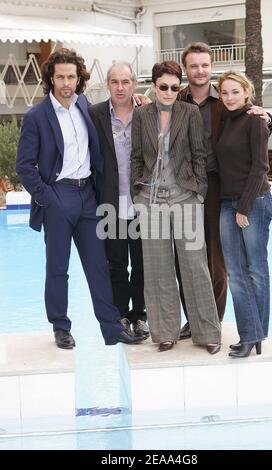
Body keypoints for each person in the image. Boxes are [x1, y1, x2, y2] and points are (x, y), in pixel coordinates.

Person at [16, 48, 143, 349]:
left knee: (98, 264)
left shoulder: (85, 106)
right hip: (58, 195)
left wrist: (141, 100)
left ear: (79, 78)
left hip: (88, 196)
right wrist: (48, 197)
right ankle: (60, 326)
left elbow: (118, 107)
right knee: (58, 267)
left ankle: (111, 328)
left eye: (71, 76)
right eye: (60, 76)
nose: (66, 82)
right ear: (50, 78)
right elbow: (24, 166)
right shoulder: (37, 116)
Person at [177, 42, 272, 339]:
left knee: (219, 263)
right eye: (193, 65)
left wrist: (268, 117)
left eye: (205, 65)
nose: (200, 70)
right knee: (187, 259)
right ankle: (193, 319)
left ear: (211, 67)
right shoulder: (175, 98)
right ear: (185, 69)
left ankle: (212, 322)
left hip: (220, 186)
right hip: (185, 189)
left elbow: (254, 126)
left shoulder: (225, 99)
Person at [131, 60, 221, 353]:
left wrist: (198, 194)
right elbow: (135, 157)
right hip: (151, 200)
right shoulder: (142, 115)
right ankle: (164, 332)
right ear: (154, 86)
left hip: (185, 197)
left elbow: (199, 154)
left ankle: (207, 333)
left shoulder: (190, 112)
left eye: (173, 86)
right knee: (158, 269)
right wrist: (137, 193)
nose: (169, 92)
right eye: (163, 86)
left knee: (195, 266)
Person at [89, 62, 149, 339]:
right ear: (108, 85)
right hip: (110, 203)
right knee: (115, 265)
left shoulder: (146, 112)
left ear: (134, 84)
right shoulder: (95, 114)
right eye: (115, 82)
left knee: (141, 264)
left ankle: (141, 315)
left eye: (126, 81)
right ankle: (122, 316)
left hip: (141, 203)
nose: (120, 87)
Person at [216, 71, 272, 358]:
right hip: (227, 202)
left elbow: (260, 167)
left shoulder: (255, 120)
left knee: (256, 271)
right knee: (236, 274)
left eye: (234, 92)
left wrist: (244, 206)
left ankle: (256, 335)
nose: (229, 97)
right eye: (224, 92)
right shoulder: (226, 120)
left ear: (246, 92)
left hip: (253, 202)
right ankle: (250, 334)